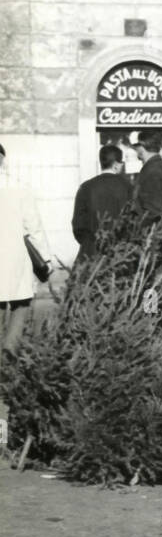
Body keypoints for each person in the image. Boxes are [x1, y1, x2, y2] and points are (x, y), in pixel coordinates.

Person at [0, 143, 49, 415]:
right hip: (16, 261)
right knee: (19, 308)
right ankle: (9, 364)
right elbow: (34, 227)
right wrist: (46, 261)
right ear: (3, 161)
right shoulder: (20, 187)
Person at [71, 144, 132, 259]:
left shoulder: (86, 187)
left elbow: (78, 224)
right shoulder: (128, 187)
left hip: (91, 252)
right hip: (120, 253)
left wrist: (88, 244)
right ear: (116, 165)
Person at [134, 132, 162, 222]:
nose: (135, 150)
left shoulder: (151, 171)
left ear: (142, 148)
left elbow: (152, 209)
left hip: (153, 230)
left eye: (136, 146)